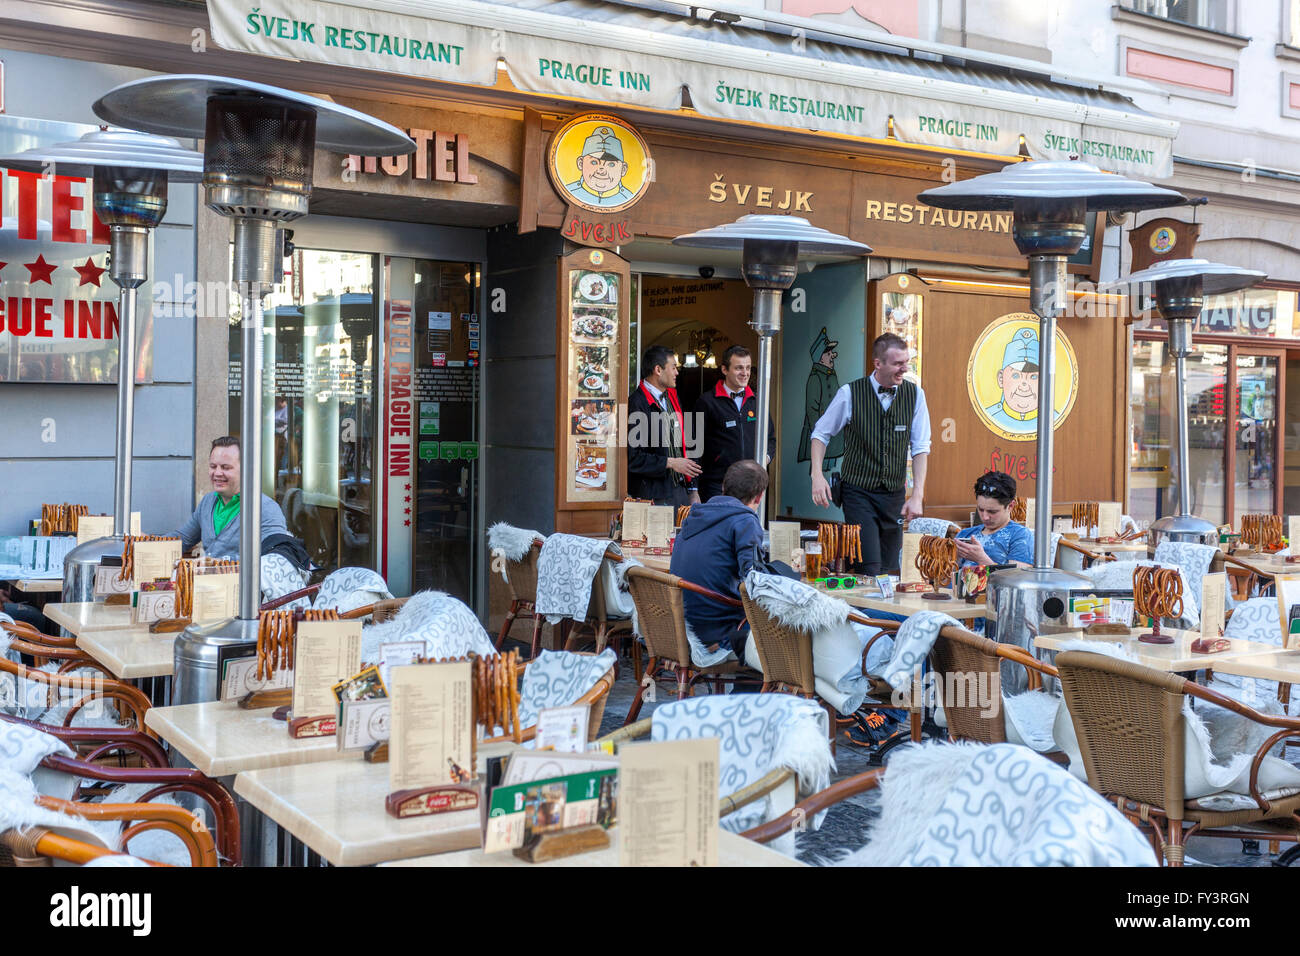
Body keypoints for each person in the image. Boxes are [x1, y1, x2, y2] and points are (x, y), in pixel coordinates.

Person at [809, 333, 930, 576]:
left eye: (906, 362)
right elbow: (820, 433)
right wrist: (817, 476)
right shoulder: (850, 393)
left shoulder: (915, 395)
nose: (904, 369)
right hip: (858, 493)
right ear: (878, 364)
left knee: (890, 567)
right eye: (898, 363)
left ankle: (882, 614)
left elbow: (920, 447)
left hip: (894, 495)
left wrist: (917, 494)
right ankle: (864, 613)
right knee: (869, 565)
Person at [670, 460, 767, 661]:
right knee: (778, 624)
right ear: (759, 496)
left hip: (679, 625)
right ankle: (751, 689)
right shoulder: (745, 521)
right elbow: (756, 581)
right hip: (718, 632)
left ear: (723, 488)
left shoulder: (694, 515)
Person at [173, 436, 289, 560]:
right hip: (207, 579)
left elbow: (277, 557)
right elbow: (182, 539)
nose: (217, 473)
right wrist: (152, 543)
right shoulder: (208, 502)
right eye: (213, 466)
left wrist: (219, 566)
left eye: (225, 467)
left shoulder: (265, 509)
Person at [692, 345, 775, 502]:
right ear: (724, 369)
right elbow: (693, 446)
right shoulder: (706, 402)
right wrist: (693, 489)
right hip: (717, 486)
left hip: (751, 485)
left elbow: (770, 439)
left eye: (748, 368)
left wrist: (765, 458)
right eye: (739, 368)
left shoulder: (757, 402)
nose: (745, 373)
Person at [627, 345, 700, 506]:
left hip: (678, 490)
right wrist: (671, 462)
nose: (677, 373)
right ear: (658, 370)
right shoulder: (637, 403)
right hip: (652, 495)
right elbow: (634, 458)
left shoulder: (672, 397)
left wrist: (693, 490)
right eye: (673, 367)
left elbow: (684, 443)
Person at [954, 471, 1033, 569]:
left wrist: (982, 559)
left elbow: (1017, 579)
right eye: (981, 509)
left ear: (1010, 506)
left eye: (992, 512)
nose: (985, 517)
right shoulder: (964, 534)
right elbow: (944, 580)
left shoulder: (1020, 535)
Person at [984, 328, 1041, 434]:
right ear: (1001, 379)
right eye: (1015, 376)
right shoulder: (989, 416)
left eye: (1033, 377)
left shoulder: (1051, 419)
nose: (1024, 385)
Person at [797, 327, 840, 466]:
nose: (832, 355)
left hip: (833, 432)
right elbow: (812, 409)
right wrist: (818, 434)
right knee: (818, 467)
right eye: (828, 353)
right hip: (821, 434)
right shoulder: (816, 377)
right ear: (821, 358)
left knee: (829, 467)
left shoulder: (831, 374)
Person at [564, 126, 634, 207]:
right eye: (594, 162)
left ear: (623, 169)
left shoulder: (628, 198)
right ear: (581, 163)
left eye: (611, 164)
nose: (601, 171)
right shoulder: (569, 192)